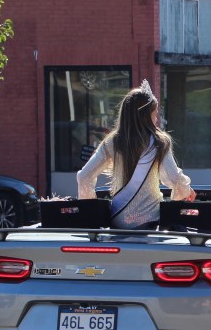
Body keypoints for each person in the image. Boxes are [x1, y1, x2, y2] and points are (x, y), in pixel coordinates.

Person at [77, 80, 195, 229]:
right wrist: (183, 192)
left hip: (117, 221)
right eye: (155, 113)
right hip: (151, 221)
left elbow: (84, 176)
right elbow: (175, 179)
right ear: (145, 116)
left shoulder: (112, 142)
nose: (156, 118)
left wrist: (91, 212)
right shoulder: (159, 142)